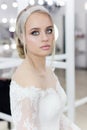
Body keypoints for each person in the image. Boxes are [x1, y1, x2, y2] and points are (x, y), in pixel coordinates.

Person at [10, 5, 81, 130]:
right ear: (22, 37)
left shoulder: (47, 69)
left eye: (49, 30)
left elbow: (56, 117)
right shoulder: (26, 82)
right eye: (35, 32)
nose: (45, 38)